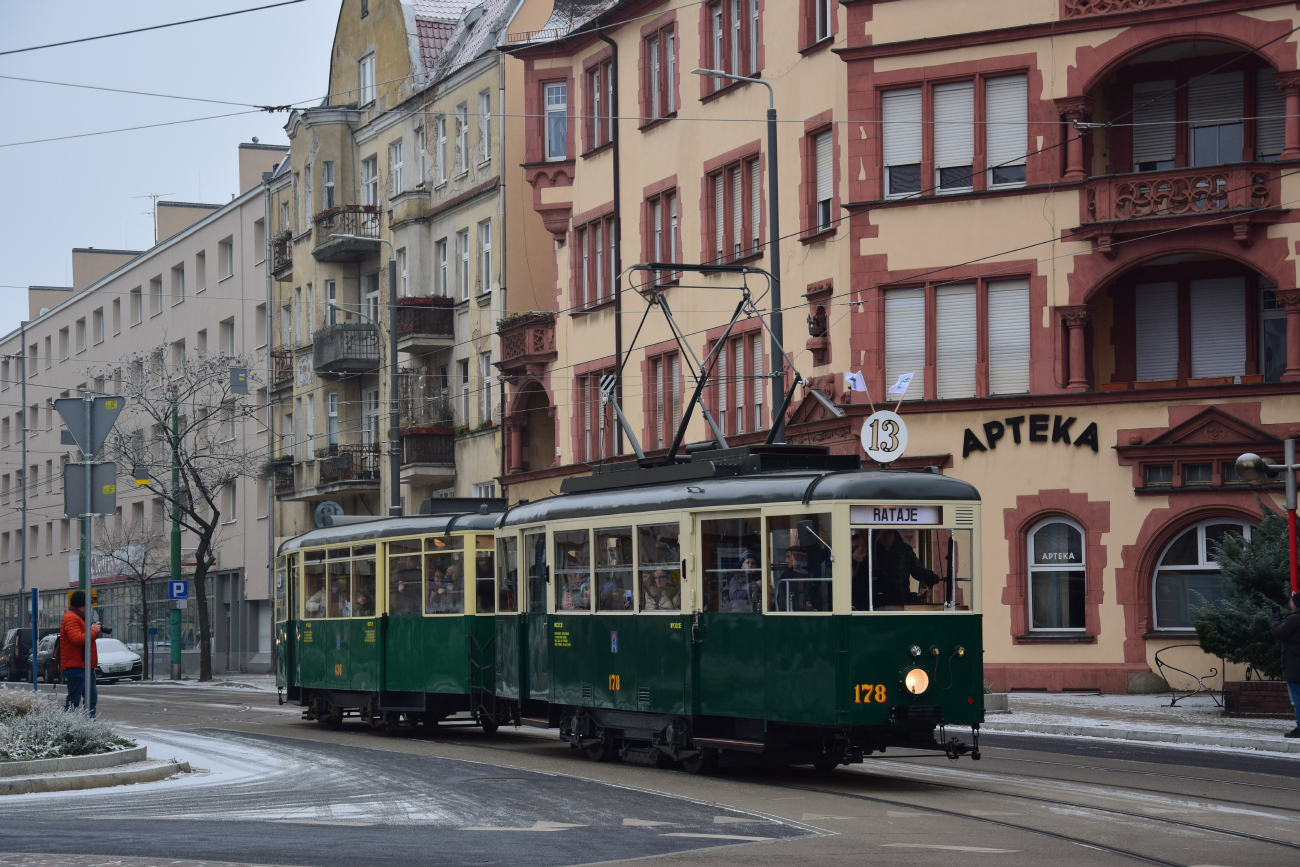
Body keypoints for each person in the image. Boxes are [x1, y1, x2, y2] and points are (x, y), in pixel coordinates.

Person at [871, 529, 940, 609]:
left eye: (890, 533)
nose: (887, 537)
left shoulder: (905, 550)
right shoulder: (871, 552)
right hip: (878, 604)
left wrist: (929, 576)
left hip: (902, 601)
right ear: (877, 537)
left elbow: (916, 569)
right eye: (883, 534)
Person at [60, 590, 100, 717]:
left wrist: (93, 631)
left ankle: (89, 728)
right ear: (83, 604)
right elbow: (77, 639)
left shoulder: (78, 617)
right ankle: (67, 728)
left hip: (85, 666)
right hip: (76, 667)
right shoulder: (71, 618)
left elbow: (82, 637)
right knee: (73, 702)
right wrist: (93, 632)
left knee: (91, 700)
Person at [1273, 591, 1300, 738]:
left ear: (1295, 604)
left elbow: (1278, 633)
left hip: (1295, 666)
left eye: (1292, 601)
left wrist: (1276, 618)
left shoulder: (1294, 619)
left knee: (1297, 698)